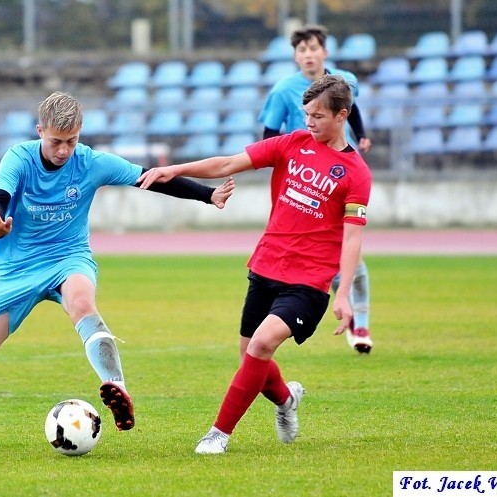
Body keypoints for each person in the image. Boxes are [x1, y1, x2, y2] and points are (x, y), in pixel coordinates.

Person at [0, 91, 235, 450]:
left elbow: (152, 178)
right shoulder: (19, 158)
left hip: (69, 257)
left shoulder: (92, 162)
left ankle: (117, 386)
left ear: (80, 132)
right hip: (16, 269)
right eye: (56, 141)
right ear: (40, 131)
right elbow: (0, 195)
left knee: (83, 303)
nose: (64, 150)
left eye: (71, 141)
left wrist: (207, 195)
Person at [138, 75, 372, 454]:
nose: (308, 123)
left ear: (342, 115)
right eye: (306, 114)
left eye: (317, 116)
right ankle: (286, 400)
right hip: (266, 266)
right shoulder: (293, 143)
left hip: (309, 281)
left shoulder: (357, 173)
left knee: (261, 345)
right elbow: (230, 162)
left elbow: (353, 236)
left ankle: (218, 434)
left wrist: (343, 293)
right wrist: (175, 170)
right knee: (250, 357)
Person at [258, 24, 374, 354]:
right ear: (295, 56)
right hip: (303, 181)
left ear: (325, 52)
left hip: (336, 178)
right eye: (302, 50)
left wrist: (361, 134)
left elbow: (353, 110)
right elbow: (270, 132)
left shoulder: (343, 82)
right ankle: (334, 304)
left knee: (351, 247)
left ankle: (360, 322)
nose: (309, 55)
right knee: (333, 254)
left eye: (314, 48)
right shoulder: (283, 90)